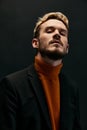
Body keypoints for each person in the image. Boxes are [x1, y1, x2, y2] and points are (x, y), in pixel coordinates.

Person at [0, 12, 81, 130]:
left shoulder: (71, 88)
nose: (57, 34)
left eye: (62, 33)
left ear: (67, 48)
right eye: (49, 31)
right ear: (35, 43)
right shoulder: (12, 85)